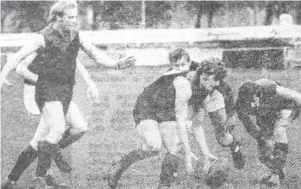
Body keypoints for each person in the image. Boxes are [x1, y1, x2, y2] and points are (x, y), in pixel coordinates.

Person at [0, 0, 135, 188]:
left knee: (77, 128)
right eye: (70, 17)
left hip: (65, 91)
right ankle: (40, 179)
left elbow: (95, 55)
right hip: (47, 90)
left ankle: (11, 180)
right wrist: (2, 75)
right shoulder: (43, 37)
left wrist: (116, 64)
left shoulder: (76, 35)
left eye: (76, 16)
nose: (75, 20)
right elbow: (17, 57)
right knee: (57, 129)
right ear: (58, 18)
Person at [106, 48, 216, 189]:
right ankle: (121, 164)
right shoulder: (175, 78)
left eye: (183, 64)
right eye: (176, 66)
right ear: (171, 65)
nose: (180, 68)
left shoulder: (198, 71)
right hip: (147, 106)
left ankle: (164, 185)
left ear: (189, 62)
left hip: (167, 109)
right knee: (154, 146)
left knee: (175, 149)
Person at [1, 52, 99, 189]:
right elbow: (20, 68)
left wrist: (90, 84)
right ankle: (38, 178)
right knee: (45, 139)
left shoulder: (67, 43)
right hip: (45, 97)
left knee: (79, 128)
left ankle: (14, 180)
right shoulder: (43, 45)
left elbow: (78, 65)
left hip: (62, 96)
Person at [157, 58, 245, 187]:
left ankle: (235, 146)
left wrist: (231, 114)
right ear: (204, 76)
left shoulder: (215, 84)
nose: (218, 83)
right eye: (215, 79)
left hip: (209, 96)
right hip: (192, 98)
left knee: (223, 138)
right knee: (175, 141)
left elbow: (227, 92)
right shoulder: (182, 84)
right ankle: (165, 183)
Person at [235, 78, 301, 186]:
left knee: (279, 131)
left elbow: (298, 98)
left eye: (255, 98)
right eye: (249, 101)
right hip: (265, 116)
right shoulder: (239, 104)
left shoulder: (271, 88)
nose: (253, 102)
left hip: (283, 108)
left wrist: (292, 117)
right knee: (263, 153)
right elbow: (248, 124)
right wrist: (260, 139)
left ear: (259, 93)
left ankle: (276, 174)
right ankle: (277, 171)